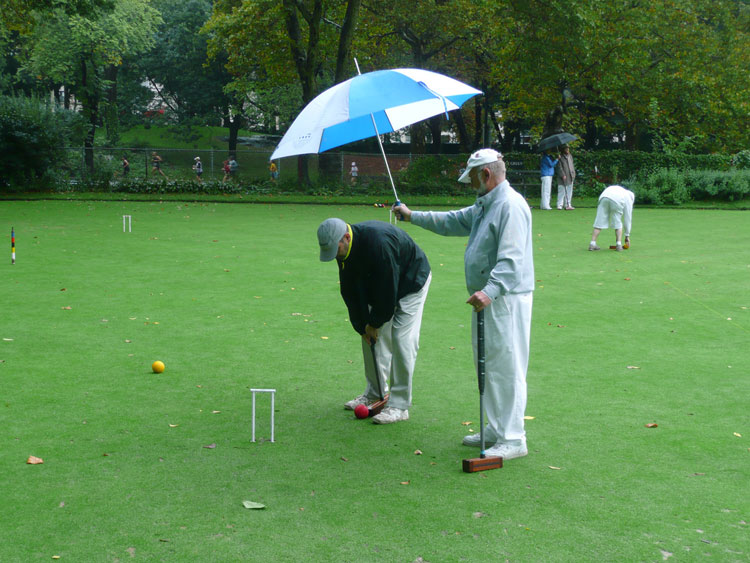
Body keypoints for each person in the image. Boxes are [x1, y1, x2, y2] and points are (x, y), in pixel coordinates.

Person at [393, 149, 534, 460]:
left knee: (506, 367)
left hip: (505, 298)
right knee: (488, 364)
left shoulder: (510, 206)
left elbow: (512, 258)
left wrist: (491, 290)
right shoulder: (487, 204)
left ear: (485, 175)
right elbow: (454, 221)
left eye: (472, 178)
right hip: (488, 298)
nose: (470, 184)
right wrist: (412, 215)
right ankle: (495, 430)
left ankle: (513, 438)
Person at [317, 218, 432, 424]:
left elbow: (388, 291)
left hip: (411, 281)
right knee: (369, 338)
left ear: (346, 236)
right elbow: (349, 290)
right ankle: (374, 392)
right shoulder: (342, 249)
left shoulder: (378, 244)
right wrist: (362, 326)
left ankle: (400, 405)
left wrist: (375, 322)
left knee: (402, 339)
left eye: (336, 249)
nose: (335, 254)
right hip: (382, 284)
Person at [589, 185, 634, 251]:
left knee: (599, 221)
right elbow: (628, 218)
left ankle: (592, 244)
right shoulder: (628, 198)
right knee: (617, 221)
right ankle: (618, 245)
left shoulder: (621, 190)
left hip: (603, 197)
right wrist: (627, 236)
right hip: (617, 199)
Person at [555, 145, 576, 210]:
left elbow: (572, 165)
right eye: (566, 149)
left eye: (568, 149)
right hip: (563, 177)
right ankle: (559, 205)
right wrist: (562, 175)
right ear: (563, 149)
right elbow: (559, 167)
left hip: (570, 176)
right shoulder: (560, 157)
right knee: (562, 191)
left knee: (569, 191)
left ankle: (568, 204)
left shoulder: (570, 156)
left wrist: (573, 174)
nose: (567, 150)